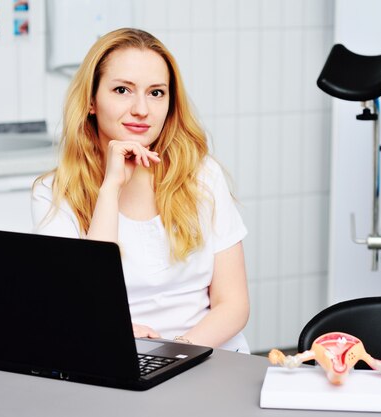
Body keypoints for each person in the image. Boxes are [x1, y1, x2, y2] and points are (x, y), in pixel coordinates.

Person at [32, 28, 250, 353]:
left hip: (206, 354)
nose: (141, 109)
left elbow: (233, 305)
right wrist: (110, 188)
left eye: (156, 93)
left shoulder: (203, 175)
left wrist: (174, 352)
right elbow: (81, 308)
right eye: (122, 90)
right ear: (91, 101)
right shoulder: (53, 192)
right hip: (116, 354)